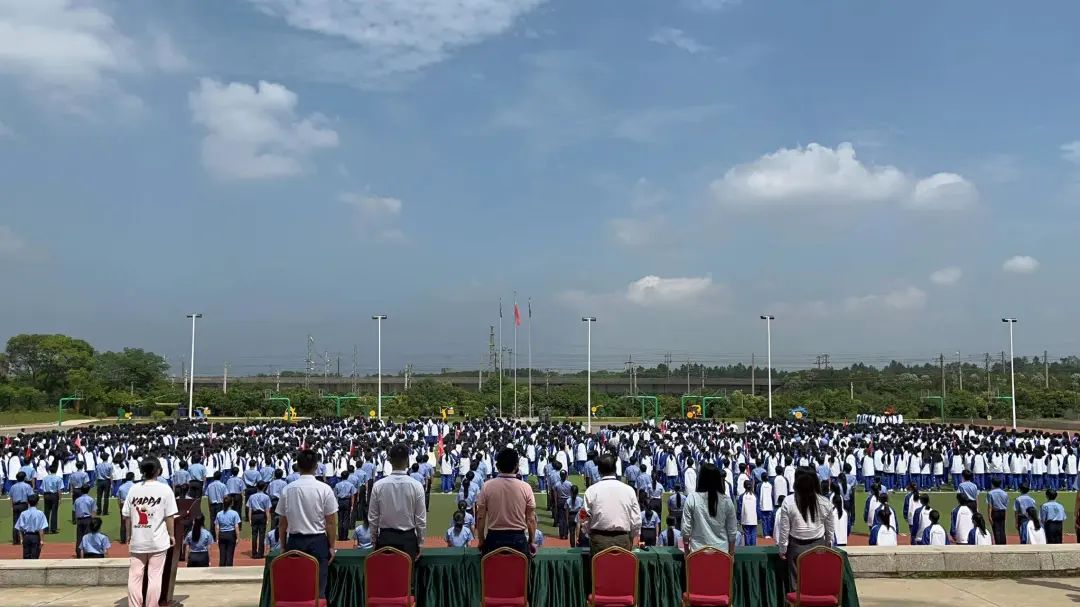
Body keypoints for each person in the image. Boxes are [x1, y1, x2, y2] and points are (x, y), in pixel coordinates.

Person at [277, 449, 338, 599]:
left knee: (297, 588)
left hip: (295, 541)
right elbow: (330, 522)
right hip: (318, 541)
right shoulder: (324, 489)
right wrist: (331, 546)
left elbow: (282, 524)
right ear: (316, 466)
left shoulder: (287, 489)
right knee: (319, 590)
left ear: (298, 466)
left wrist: (283, 546)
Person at [123, 458, 178, 607]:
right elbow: (169, 516)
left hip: (138, 538)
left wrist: (128, 535)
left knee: (135, 576)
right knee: (155, 576)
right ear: (158, 471)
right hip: (157, 539)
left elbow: (126, 515)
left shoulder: (134, 489)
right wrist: (171, 535)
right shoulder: (165, 489)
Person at [777, 468, 835, 590]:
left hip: (796, 547)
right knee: (816, 580)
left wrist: (783, 548)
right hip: (818, 546)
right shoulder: (825, 502)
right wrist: (828, 545)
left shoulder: (788, 501)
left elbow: (784, 529)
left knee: (795, 586)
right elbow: (830, 530)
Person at [370, 443, 426, 561]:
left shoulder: (378, 486)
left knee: (386, 578)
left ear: (390, 460)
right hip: (408, 539)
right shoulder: (416, 486)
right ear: (407, 461)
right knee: (407, 578)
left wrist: (374, 541)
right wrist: (420, 543)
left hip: (385, 539)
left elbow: (373, 518)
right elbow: (420, 520)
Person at [475, 448, 536, 556]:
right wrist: (531, 541)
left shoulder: (487, 486)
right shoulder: (526, 487)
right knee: (523, 571)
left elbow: (480, 517)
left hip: (494, 538)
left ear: (497, 466)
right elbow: (531, 519)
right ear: (516, 466)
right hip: (518, 539)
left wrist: (481, 540)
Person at [584, 454, 641, 553]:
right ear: (615, 469)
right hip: (622, 540)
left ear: (599, 471)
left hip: (599, 540)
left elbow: (584, 517)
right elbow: (636, 519)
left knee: (599, 568)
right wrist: (631, 537)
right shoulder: (629, 490)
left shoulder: (591, 491)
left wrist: (588, 533)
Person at [681, 463, 738, 554]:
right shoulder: (727, 501)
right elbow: (732, 531)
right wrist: (731, 552)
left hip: (697, 552)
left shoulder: (692, 498)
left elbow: (686, 529)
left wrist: (686, 549)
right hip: (722, 552)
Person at [13, 494, 47, 559]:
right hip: (35, 537)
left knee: (26, 557)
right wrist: (42, 540)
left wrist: (21, 539)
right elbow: (41, 528)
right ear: (37, 502)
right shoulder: (40, 513)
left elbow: (20, 528)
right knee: (35, 557)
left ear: (28, 502)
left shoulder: (23, 513)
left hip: (26, 536)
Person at [215, 496, 241, 566]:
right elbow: (236, 526)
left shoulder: (219, 514)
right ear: (231, 503)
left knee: (222, 555)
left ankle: (221, 569)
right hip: (231, 535)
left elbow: (217, 527)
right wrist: (238, 537)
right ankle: (229, 570)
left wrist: (217, 538)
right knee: (230, 554)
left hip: (222, 534)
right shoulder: (235, 513)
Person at [248, 482, 272, 558]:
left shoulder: (252, 497)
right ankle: (260, 553)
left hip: (254, 515)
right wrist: (268, 519)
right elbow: (267, 509)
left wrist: (250, 519)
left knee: (254, 535)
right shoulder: (266, 497)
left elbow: (250, 509)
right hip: (262, 515)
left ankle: (254, 552)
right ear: (264, 487)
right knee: (262, 535)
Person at [9, 472, 33, 545]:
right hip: (23, 505)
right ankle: (23, 539)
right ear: (24, 478)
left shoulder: (13, 486)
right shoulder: (27, 486)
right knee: (24, 523)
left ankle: (16, 540)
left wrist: (12, 506)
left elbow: (11, 497)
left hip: (16, 505)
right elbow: (30, 497)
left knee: (15, 523)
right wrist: (30, 507)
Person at [74, 487, 97, 558]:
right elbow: (93, 511)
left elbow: (75, 511)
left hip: (80, 519)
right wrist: (93, 522)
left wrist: (76, 520)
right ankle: (87, 553)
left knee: (79, 537)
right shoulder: (91, 499)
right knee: (88, 537)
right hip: (88, 519)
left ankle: (79, 553)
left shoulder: (77, 500)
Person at [41, 464, 64, 535]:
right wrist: (60, 499)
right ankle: (53, 529)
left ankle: (46, 529)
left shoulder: (45, 478)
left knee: (46, 512)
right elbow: (59, 490)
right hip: (54, 495)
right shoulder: (58, 478)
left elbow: (42, 488)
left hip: (46, 495)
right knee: (54, 512)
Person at [986, 478, 1009, 545]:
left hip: (995, 512)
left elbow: (990, 506)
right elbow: (1005, 505)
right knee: (1002, 528)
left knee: (996, 529)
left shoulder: (990, 493)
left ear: (992, 484)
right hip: (1002, 512)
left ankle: (998, 543)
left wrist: (989, 516)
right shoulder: (1004, 493)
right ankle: (1003, 543)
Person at [206, 474, 228, 539]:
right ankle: (220, 535)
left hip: (212, 504)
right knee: (220, 519)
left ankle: (213, 535)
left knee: (212, 520)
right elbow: (225, 496)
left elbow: (208, 496)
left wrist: (209, 505)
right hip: (220, 504)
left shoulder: (210, 485)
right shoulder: (223, 485)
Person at [738, 480, 758, 546]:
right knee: (753, 533)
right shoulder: (755, 496)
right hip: (753, 518)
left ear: (744, 486)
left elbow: (740, 508)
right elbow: (757, 507)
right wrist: (759, 517)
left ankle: (748, 547)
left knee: (747, 533)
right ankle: (753, 547)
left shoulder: (742, 496)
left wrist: (739, 518)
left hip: (745, 518)